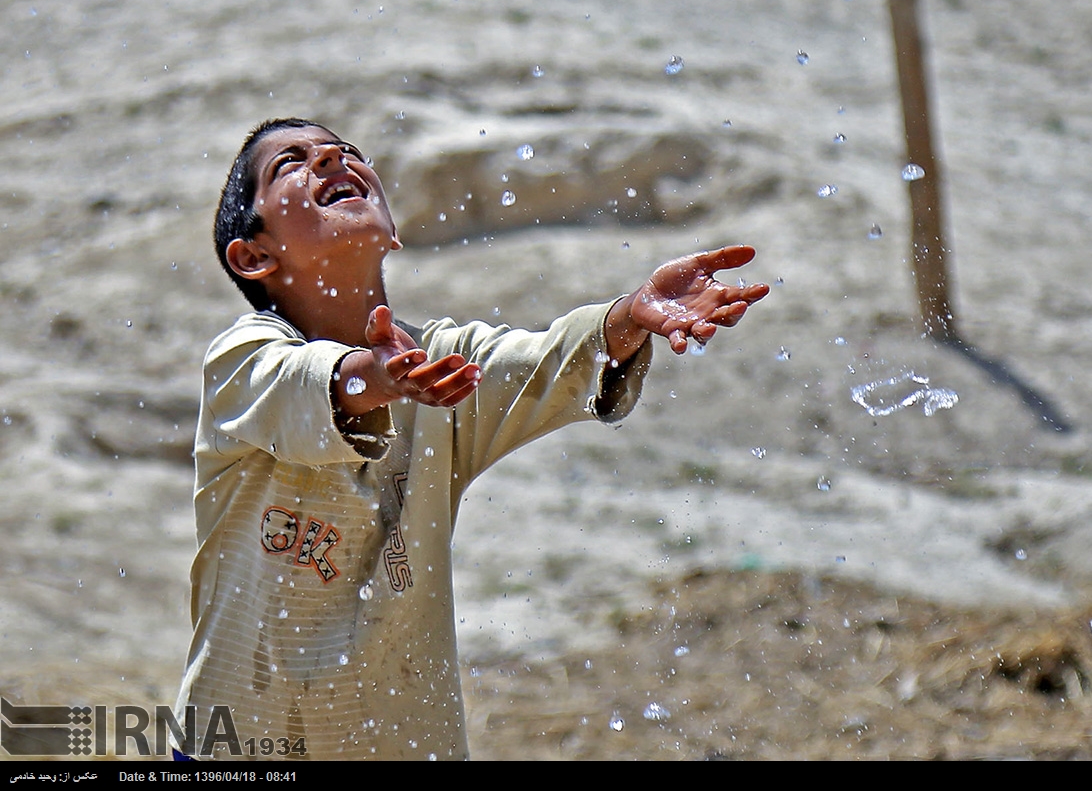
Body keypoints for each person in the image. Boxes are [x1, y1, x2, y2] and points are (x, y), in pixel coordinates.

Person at [173, 118, 768, 760]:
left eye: (347, 152)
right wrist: (377, 377)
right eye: (292, 162)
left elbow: (545, 364)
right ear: (253, 255)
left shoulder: (444, 366)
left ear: (391, 231)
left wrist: (626, 319)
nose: (332, 160)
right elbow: (299, 387)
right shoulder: (240, 360)